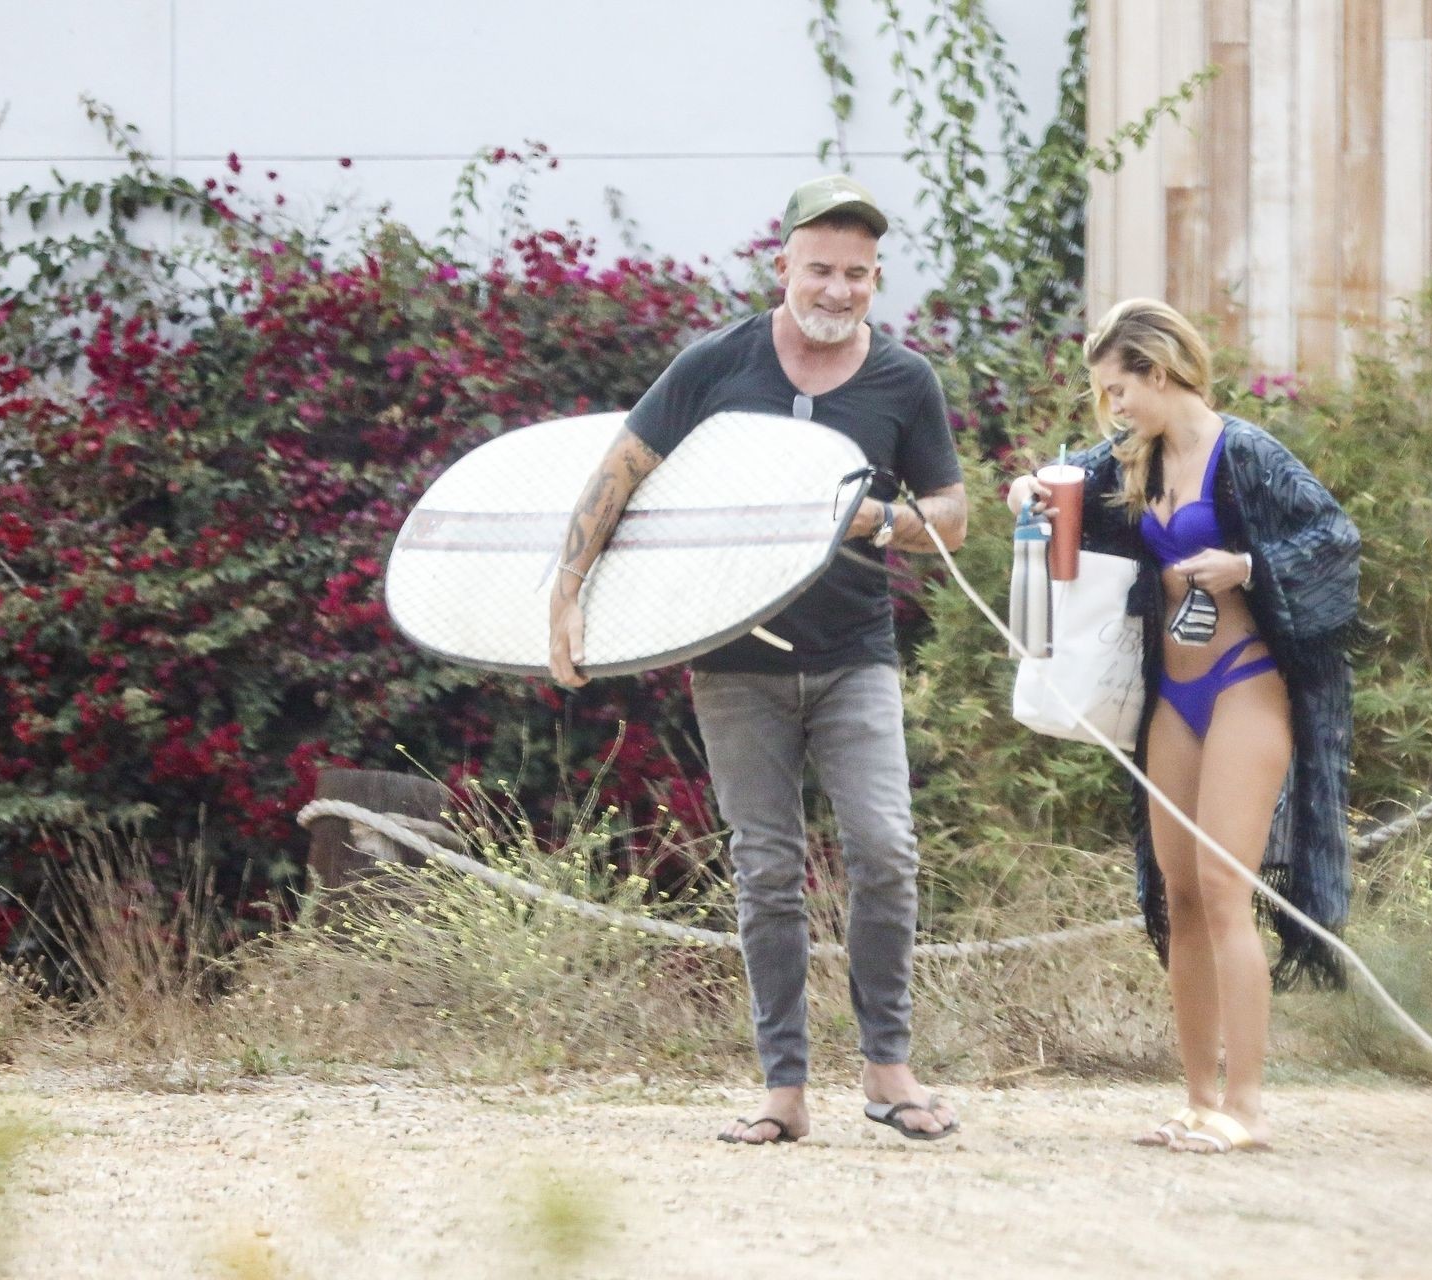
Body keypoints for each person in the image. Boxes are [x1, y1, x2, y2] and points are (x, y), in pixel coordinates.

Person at [549, 175, 969, 1144]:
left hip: (855, 652)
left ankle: (888, 1068)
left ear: (876, 277)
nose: (837, 289)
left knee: (885, 850)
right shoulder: (717, 362)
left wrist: (881, 519)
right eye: (820, 269)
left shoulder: (905, 380)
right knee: (768, 869)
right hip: (732, 661)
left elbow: (951, 514)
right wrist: (567, 593)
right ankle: (784, 1089)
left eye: (857, 273)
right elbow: (619, 471)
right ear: (783, 265)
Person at [1007, 298, 1359, 1155]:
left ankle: (1248, 1108)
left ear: (1159, 373)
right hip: (1174, 692)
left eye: (1118, 389)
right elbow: (1063, 484)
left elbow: (1335, 540)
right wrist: (1028, 490)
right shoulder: (1133, 458)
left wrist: (1247, 565)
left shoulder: (1248, 453)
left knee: (1225, 886)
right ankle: (1198, 1101)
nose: (1112, 408)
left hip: (1244, 682)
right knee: (1182, 896)